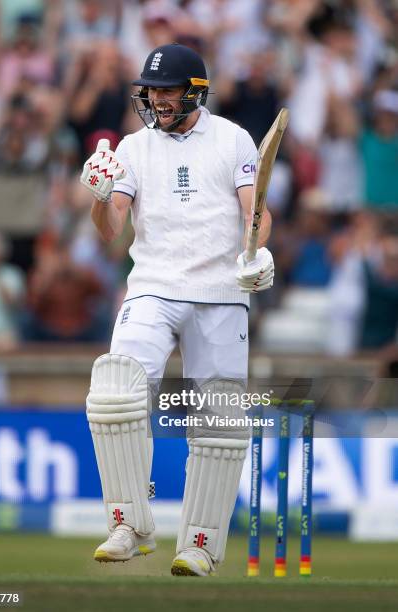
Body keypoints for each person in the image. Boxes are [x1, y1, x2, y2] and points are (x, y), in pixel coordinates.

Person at [80, 43, 274, 577]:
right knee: (115, 389)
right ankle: (130, 524)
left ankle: (201, 544)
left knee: (219, 418)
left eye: (167, 90)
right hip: (153, 285)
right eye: (152, 90)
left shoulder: (233, 138)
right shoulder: (134, 148)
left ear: (195, 90)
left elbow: (254, 210)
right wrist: (99, 198)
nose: (158, 99)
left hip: (220, 290)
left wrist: (257, 253)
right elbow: (112, 233)